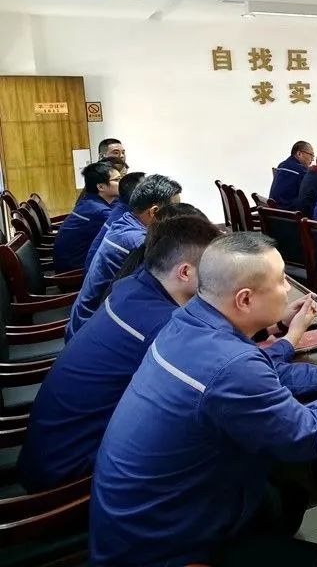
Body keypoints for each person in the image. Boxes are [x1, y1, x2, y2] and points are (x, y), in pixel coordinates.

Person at [89, 233, 317, 567]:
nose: (288, 288)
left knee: (284, 491)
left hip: (145, 516)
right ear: (245, 299)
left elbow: (263, 372)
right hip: (163, 546)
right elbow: (306, 434)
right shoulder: (230, 363)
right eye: (281, 280)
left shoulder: (189, 321)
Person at [18, 214, 221, 493]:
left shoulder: (132, 286)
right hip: (71, 475)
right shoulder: (162, 325)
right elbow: (218, 376)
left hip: (49, 452)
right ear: (185, 272)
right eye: (214, 270)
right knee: (221, 442)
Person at [67, 174, 182, 339]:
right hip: (91, 328)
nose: (179, 217)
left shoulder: (126, 222)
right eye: (175, 211)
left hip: (87, 320)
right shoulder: (138, 242)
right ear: (154, 212)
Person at [51, 161, 120, 272]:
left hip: (70, 263)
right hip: (75, 272)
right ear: (101, 186)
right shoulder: (99, 212)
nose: (123, 183)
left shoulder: (88, 201)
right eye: (117, 180)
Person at [83, 171, 146, 271]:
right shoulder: (123, 220)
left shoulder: (120, 210)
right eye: (117, 179)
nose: (120, 182)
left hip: (87, 269)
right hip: (77, 269)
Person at [269, 141, 313, 210]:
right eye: (311, 155)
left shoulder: (281, 165)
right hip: (288, 212)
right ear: (299, 154)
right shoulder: (300, 170)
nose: (312, 159)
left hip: (273, 209)